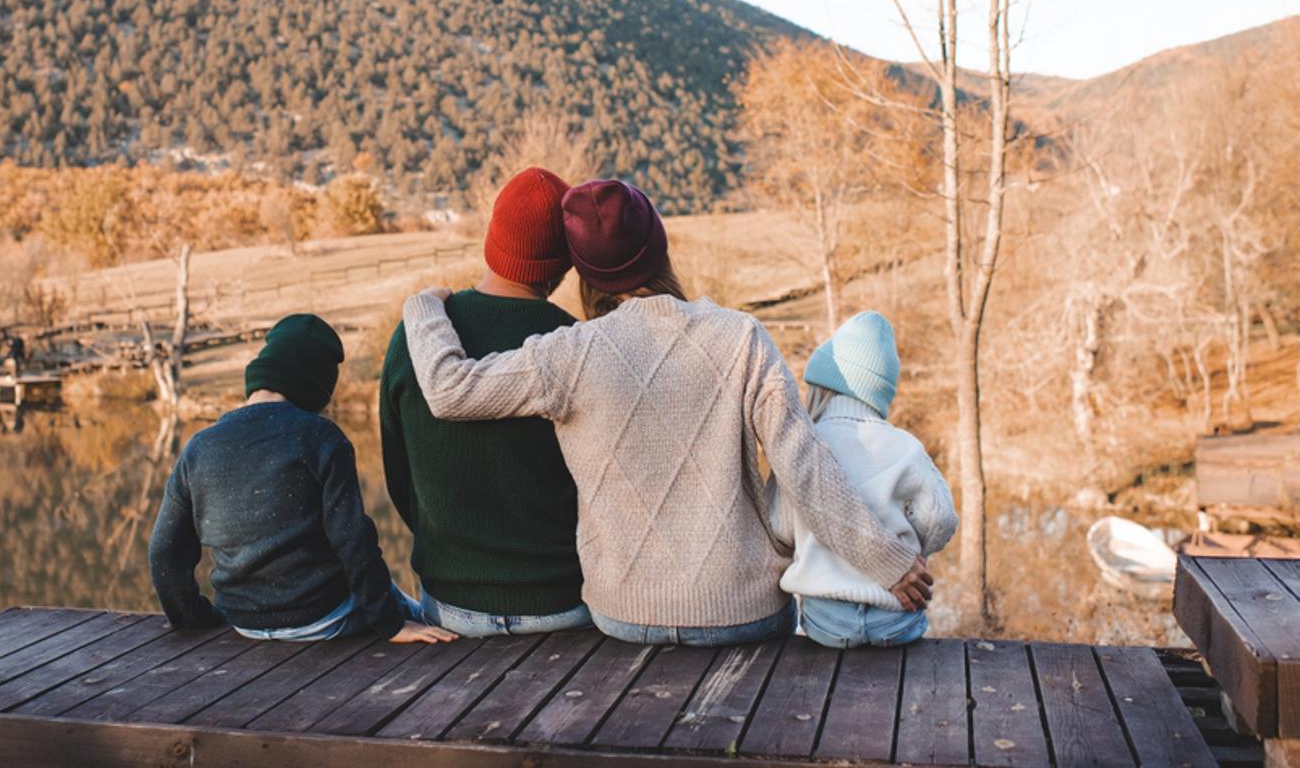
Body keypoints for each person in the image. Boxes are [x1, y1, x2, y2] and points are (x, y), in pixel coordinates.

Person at [402, 179, 931, 647]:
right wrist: (886, 561)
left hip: (623, 616)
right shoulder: (743, 337)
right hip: (744, 613)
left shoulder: (569, 352)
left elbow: (449, 390)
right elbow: (803, 466)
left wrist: (421, 308)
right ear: (660, 248)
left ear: (583, 272)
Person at [148, 313, 456, 644]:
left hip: (243, 622)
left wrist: (192, 617)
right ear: (313, 386)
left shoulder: (199, 447)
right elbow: (353, 540)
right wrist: (393, 625)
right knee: (415, 612)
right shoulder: (320, 437)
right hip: (322, 617)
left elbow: (164, 551)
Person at [380, 166, 589, 636]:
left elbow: (398, 476)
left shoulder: (417, 335)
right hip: (566, 606)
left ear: (492, 240)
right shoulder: (577, 344)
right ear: (564, 264)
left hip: (452, 608)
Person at [769, 312, 957, 649]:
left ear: (822, 384)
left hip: (827, 622)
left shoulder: (803, 446)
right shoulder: (906, 447)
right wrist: (913, 551)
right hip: (895, 618)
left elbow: (778, 526)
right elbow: (941, 519)